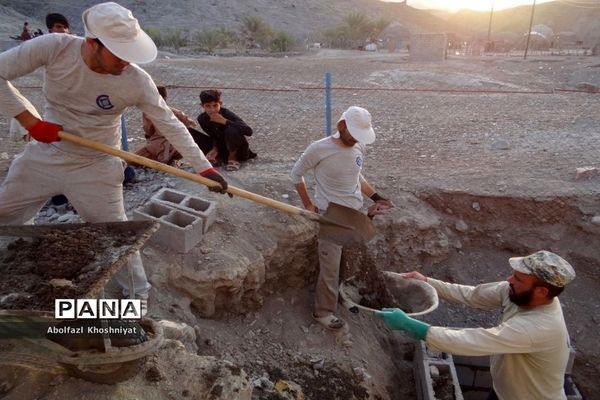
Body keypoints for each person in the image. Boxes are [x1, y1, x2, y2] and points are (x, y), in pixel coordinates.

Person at [0, 2, 229, 303]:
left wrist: (204, 169)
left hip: (96, 165)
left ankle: (137, 298)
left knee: (117, 235)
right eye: (120, 54)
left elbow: (170, 124)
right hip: (45, 154)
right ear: (93, 43)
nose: (126, 63)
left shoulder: (135, 81)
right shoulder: (54, 48)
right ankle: (22, 275)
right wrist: (29, 120)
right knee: (6, 214)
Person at [377, 250, 576, 400]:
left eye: (518, 278)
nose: (509, 280)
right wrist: (427, 282)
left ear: (541, 291)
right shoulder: (519, 293)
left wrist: (412, 326)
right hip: (504, 392)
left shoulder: (538, 327)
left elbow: (472, 341)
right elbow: (472, 295)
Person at [290, 106, 394, 330]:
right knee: (330, 267)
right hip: (332, 216)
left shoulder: (358, 147)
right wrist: (308, 203)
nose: (357, 140)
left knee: (348, 262)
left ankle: (343, 296)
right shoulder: (319, 149)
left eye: (360, 137)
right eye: (353, 134)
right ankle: (323, 312)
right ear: (341, 126)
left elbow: (358, 177)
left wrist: (377, 197)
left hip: (354, 214)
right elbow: (296, 174)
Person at [135, 85, 199, 165]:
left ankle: (171, 159)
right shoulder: (147, 114)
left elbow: (191, 125)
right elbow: (148, 131)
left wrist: (179, 136)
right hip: (156, 145)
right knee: (133, 160)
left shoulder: (174, 113)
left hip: (173, 144)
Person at [196, 89, 256, 171]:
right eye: (208, 106)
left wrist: (225, 121)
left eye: (215, 105)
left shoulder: (226, 114)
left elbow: (249, 131)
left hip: (240, 152)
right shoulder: (202, 119)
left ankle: (233, 159)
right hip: (222, 149)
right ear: (202, 106)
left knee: (231, 130)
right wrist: (215, 149)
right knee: (190, 133)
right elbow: (214, 136)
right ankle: (214, 158)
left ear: (220, 104)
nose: (212, 110)